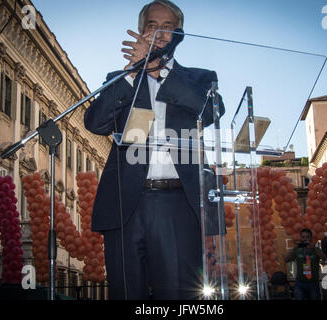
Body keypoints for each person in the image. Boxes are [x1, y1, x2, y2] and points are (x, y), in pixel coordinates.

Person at [84, 0, 224, 300]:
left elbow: (212, 111)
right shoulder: (120, 79)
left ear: (179, 36)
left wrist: (158, 73)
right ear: (140, 32)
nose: (159, 33)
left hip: (177, 204)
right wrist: (135, 74)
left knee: (178, 295)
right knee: (125, 292)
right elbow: (96, 123)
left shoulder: (199, 78)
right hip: (125, 204)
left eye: (168, 27)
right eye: (152, 26)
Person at [284, 228, 327, 300]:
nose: (305, 239)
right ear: (300, 238)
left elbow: (324, 258)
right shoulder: (298, 250)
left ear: (311, 238)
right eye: (303, 237)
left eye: (307, 237)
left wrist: (314, 249)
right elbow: (286, 259)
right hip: (300, 283)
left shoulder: (315, 249)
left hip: (313, 282)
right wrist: (294, 248)